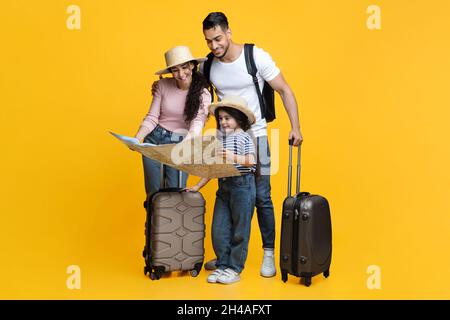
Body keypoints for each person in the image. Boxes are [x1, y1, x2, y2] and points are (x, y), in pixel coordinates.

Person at [201, 12, 303, 277]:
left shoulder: (255, 56)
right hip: (225, 139)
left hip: (255, 137)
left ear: (229, 32)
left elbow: (285, 90)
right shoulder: (208, 65)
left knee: (261, 196)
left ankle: (268, 252)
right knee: (228, 195)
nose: (214, 46)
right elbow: (189, 84)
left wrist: (296, 127)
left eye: (218, 38)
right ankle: (225, 256)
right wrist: (162, 88)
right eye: (209, 41)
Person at [186, 95, 257, 284]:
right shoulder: (221, 140)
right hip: (224, 187)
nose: (223, 122)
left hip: (242, 186)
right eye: (221, 118)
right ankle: (223, 265)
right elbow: (213, 169)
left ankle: (234, 269)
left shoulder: (244, 138)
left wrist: (232, 156)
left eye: (228, 118)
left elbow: (252, 161)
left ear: (239, 118)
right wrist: (197, 186)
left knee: (240, 230)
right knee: (219, 229)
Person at [134, 46, 211, 196]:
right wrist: (136, 139)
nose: (181, 74)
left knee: (175, 193)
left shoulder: (203, 94)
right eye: (175, 70)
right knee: (153, 194)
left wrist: (186, 144)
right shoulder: (162, 86)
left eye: (184, 67)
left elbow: (197, 123)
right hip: (154, 140)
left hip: (181, 141)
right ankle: (152, 219)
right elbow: (152, 117)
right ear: (170, 72)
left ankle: (171, 220)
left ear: (192, 66)